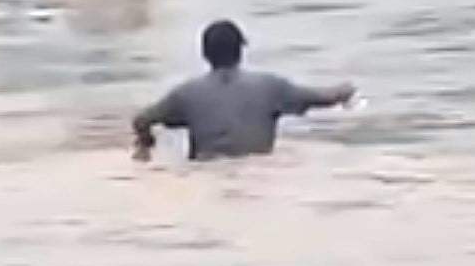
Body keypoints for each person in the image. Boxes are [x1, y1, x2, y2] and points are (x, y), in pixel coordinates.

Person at [132, 20, 355, 162]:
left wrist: (145, 143)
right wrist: (345, 90)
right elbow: (323, 98)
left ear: (205, 54)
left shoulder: (185, 94)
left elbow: (142, 120)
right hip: (258, 173)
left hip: (205, 175)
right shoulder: (270, 87)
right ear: (240, 51)